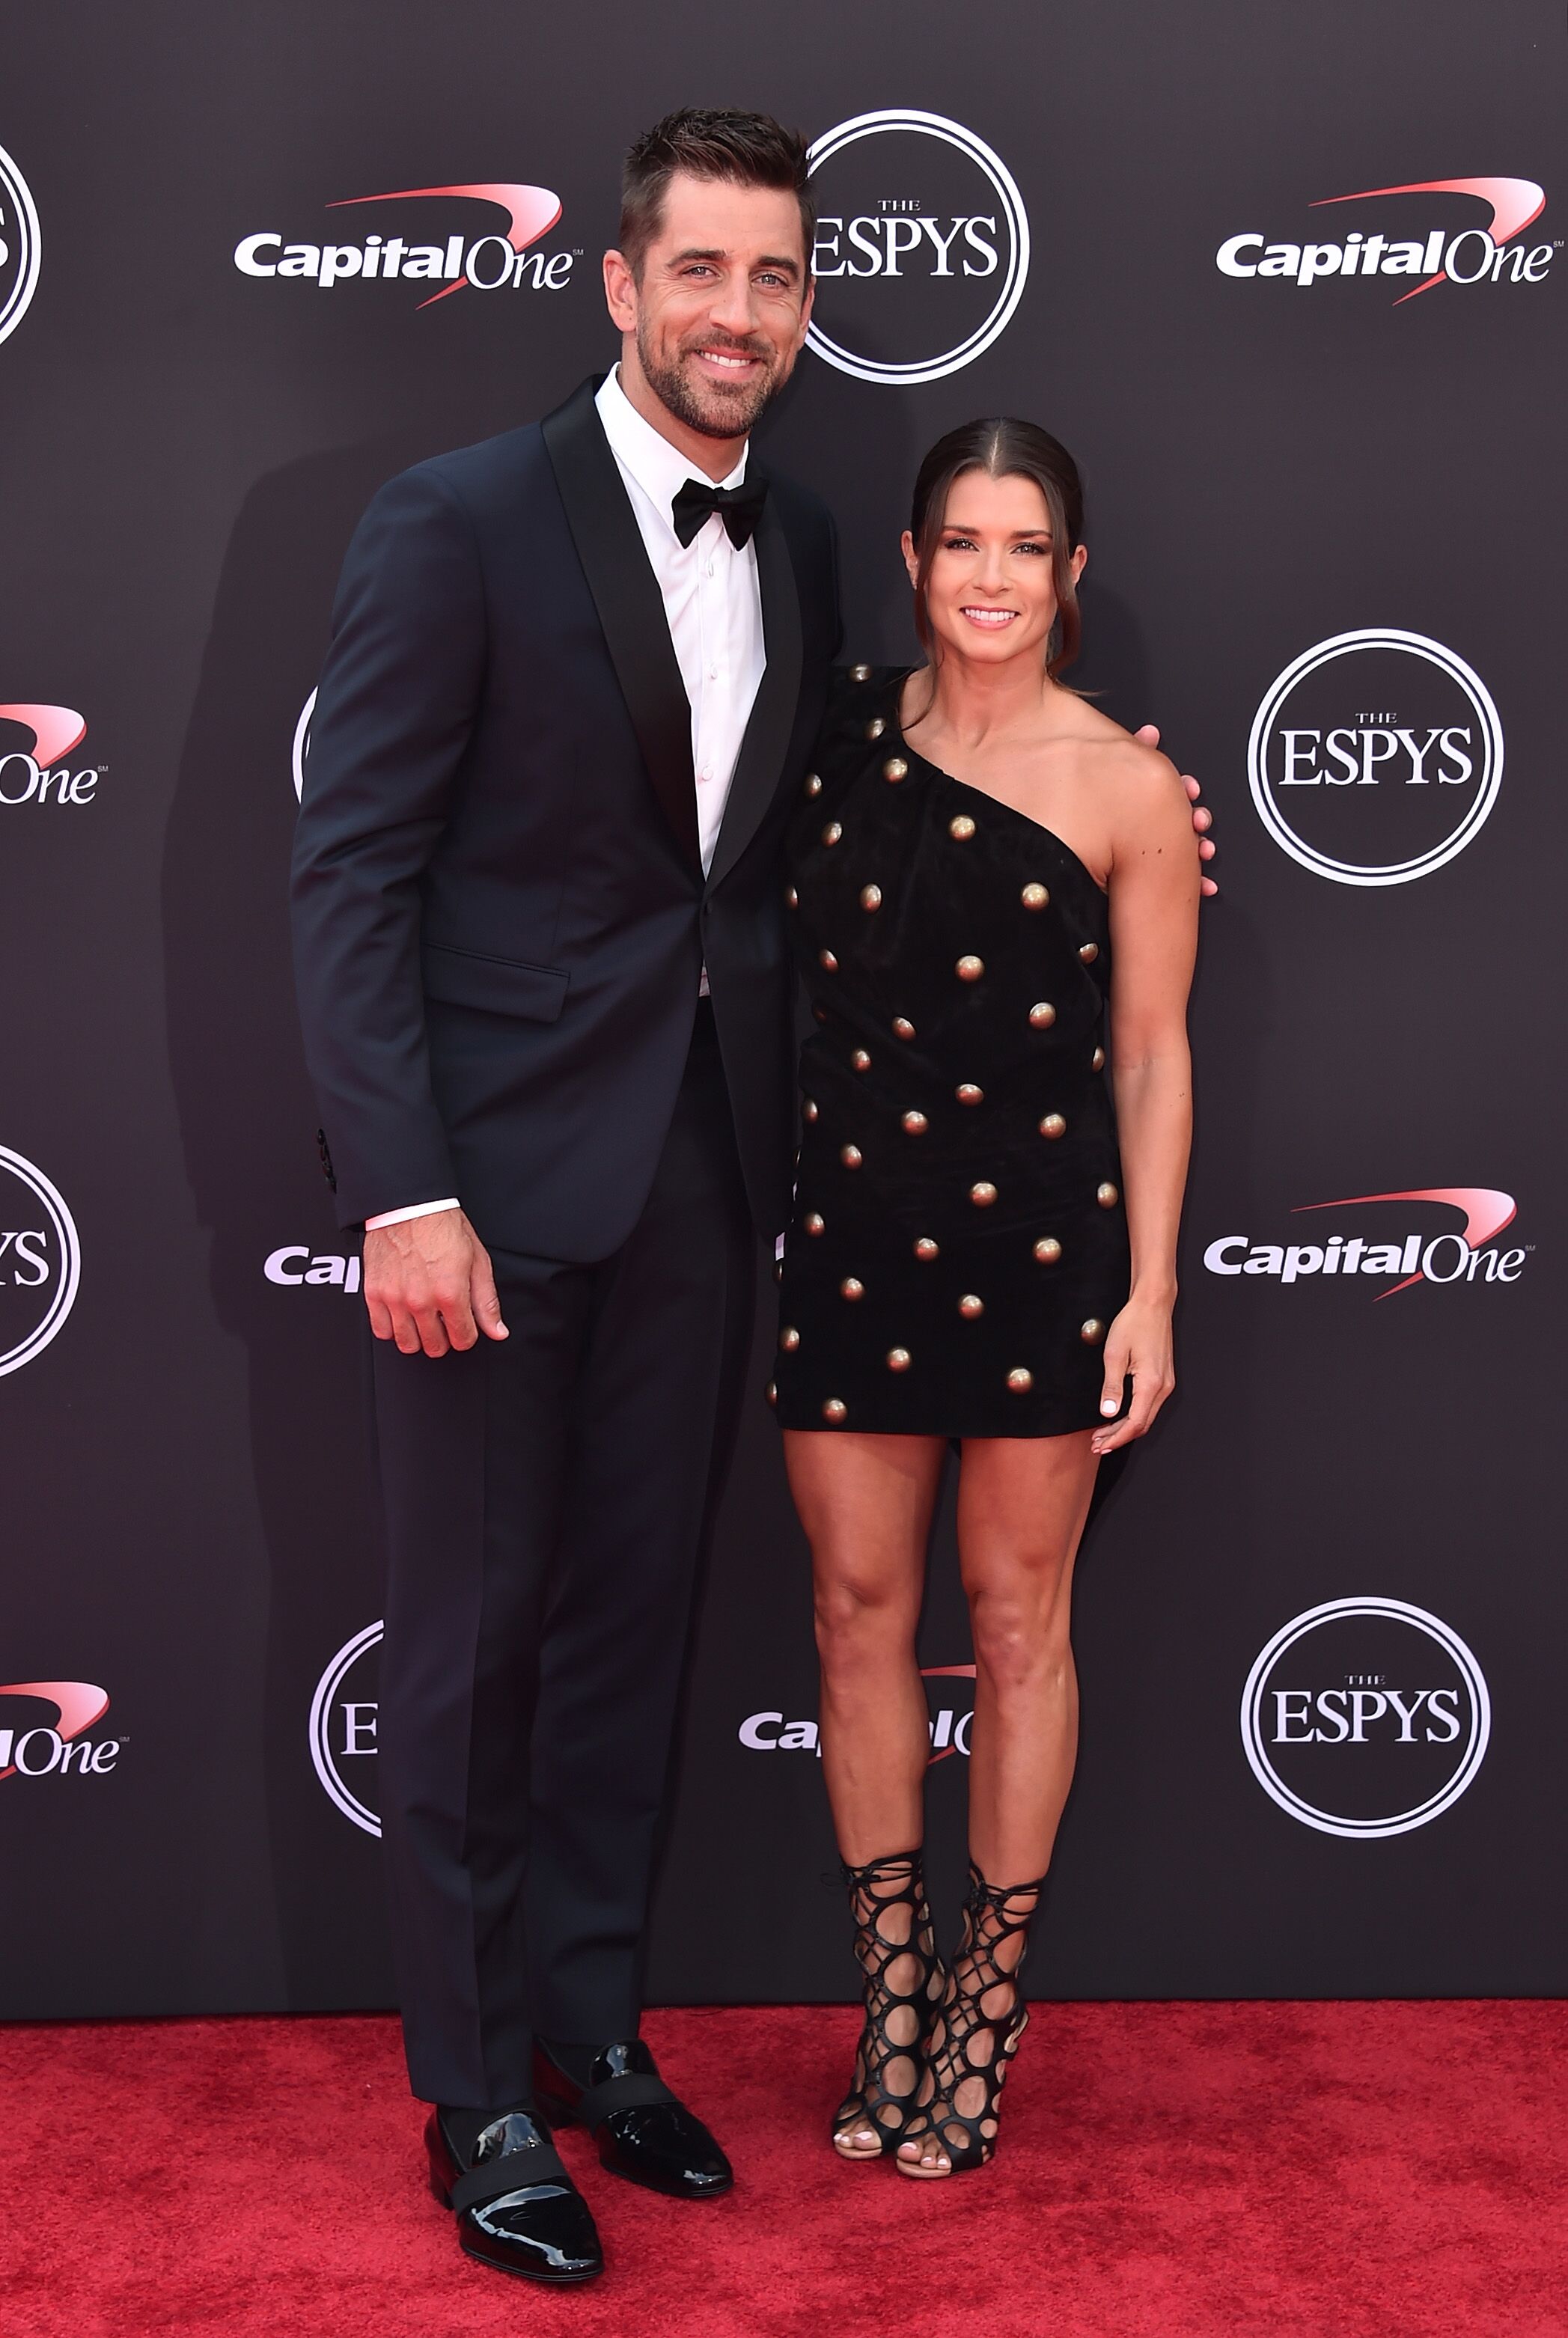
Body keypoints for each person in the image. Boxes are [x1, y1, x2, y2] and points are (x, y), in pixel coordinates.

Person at [293, 107, 1218, 2280]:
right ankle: (477, 2093)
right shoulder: (455, 522)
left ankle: (599, 2034)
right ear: (618, 285)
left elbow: (919, 813)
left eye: (777, 281)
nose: (739, 315)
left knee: (629, 1636)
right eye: (699, 272)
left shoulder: (809, 544)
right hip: (491, 1206)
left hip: (721, 1183)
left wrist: (1125, 791)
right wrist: (400, 1187)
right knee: (468, 1653)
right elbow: (347, 879)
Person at [772, 418, 1201, 2179]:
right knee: (854, 1615)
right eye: (964, 541)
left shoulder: (1125, 786)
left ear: (1072, 573)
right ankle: (889, 1993)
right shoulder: (835, 738)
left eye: (1027, 546)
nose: (993, 577)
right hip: (854, 1235)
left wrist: (1150, 1288)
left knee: (1018, 1626)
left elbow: (1155, 1057)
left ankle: (981, 2013)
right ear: (912, 556)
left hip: (1040, 1251)